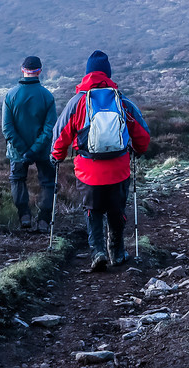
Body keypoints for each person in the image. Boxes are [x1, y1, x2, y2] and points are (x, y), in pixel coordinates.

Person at [51, 50, 150, 270]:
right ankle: (118, 252)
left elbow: (60, 135)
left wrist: (56, 156)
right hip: (119, 169)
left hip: (88, 172)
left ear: (87, 74)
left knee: (93, 211)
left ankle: (97, 252)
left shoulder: (77, 103)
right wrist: (138, 149)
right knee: (116, 210)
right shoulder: (121, 101)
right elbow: (142, 134)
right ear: (108, 73)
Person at [2, 55, 57, 233]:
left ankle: (24, 216)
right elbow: (50, 128)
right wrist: (34, 149)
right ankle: (44, 220)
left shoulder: (10, 95)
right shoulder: (47, 96)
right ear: (40, 71)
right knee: (48, 182)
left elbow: (7, 128)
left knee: (17, 180)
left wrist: (24, 150)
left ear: (22, 69)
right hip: (42, 151)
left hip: (17, 152)